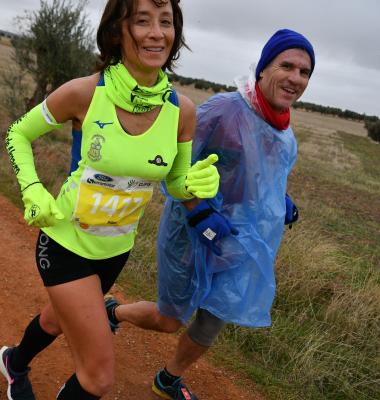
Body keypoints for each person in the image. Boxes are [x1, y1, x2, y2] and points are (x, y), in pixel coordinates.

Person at [0, 1, 220, 399]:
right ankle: (19, 365)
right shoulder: (86, 92)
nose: (157, 32)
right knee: (98, 377)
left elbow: (177, 181)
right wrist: (32, 189)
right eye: (142, 21)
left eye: (166, 22)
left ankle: (15, 363)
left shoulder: (182, 111)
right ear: (118, 30)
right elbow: (18, 134)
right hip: (64, 244)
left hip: (115, 251)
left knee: (56, 320)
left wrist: (197, 185)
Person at [106, 28, 315, 400]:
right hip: (192, 231)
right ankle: (113, 313)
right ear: (265, 68)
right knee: (171, 318)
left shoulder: (284, 132)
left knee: (217, 313)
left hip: (240, 241)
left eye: (305, 72)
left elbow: (259, 175)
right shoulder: (224, 111)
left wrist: (278, 198)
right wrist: (197, 210)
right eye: (288, 65)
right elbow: (172, 160)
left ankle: (168, 378)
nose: (296, 78)